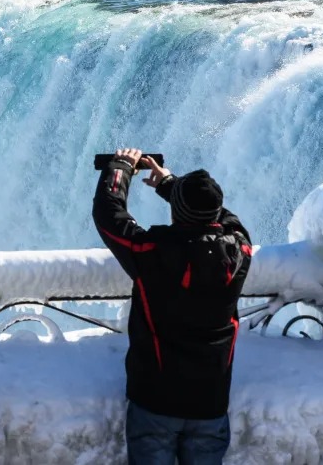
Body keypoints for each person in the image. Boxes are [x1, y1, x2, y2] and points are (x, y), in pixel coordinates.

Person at [92, 148, 253, 465]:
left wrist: (121, 167)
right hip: (210, 402)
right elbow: (228, 220)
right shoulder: (238, 253)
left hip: (155, 401)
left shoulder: (151, 250)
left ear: (177, 211)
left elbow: (109, 215)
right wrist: (172, 186)